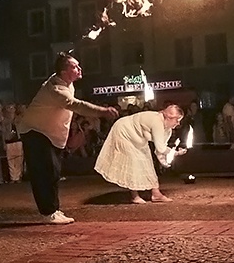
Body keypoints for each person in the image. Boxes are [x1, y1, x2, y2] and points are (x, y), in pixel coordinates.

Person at [18, 53, 118, 224]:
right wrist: (102, 111)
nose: (79, 68)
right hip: (36, 132)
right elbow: (77, 105)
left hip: (49, 134)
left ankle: (53, 209)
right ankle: (48, 212)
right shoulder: (56, 89)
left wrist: (65, 54)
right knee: (46, 173)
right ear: (63, 72)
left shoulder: (63, 81)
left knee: (54, 172)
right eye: (74, 66)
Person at [94, 105, 184, 204]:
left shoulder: (168, 130)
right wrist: (175, 153)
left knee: (147, 160)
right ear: (169, 117)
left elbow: (159, 150)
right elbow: (161, 148)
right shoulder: (157, 121)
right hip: (123, 131)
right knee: (133, 161)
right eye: (177, 119)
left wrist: (165, 162)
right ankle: (134, 196)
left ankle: (156, 193)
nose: (178, 123)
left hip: (138, 138)